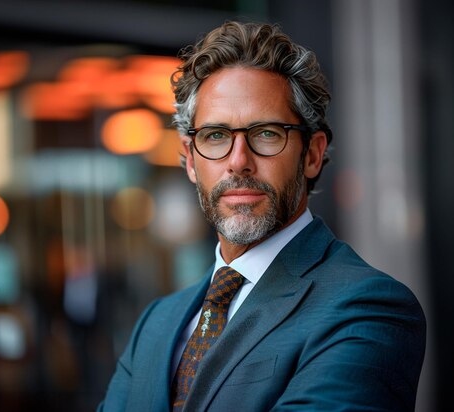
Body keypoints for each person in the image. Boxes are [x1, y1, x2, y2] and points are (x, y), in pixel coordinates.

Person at [98, 21, 426, 411]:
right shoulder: (155, 324)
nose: (239, 162)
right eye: (216, 135)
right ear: (189, 158)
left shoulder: (367, 308)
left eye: (267, 133)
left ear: (312, 154)